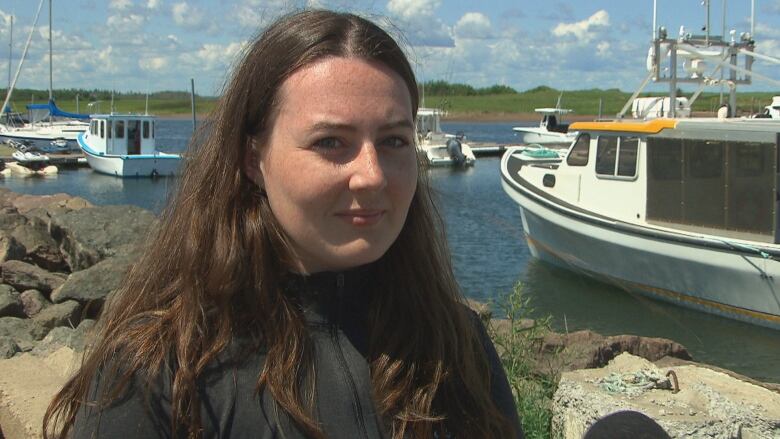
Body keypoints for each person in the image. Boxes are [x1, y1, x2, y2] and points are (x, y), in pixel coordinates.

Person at [43, 9, 522, 439]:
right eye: (331, 142)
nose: (373, 175)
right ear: (254, 159)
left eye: (394, 141)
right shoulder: (164, 370)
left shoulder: (453, 345)